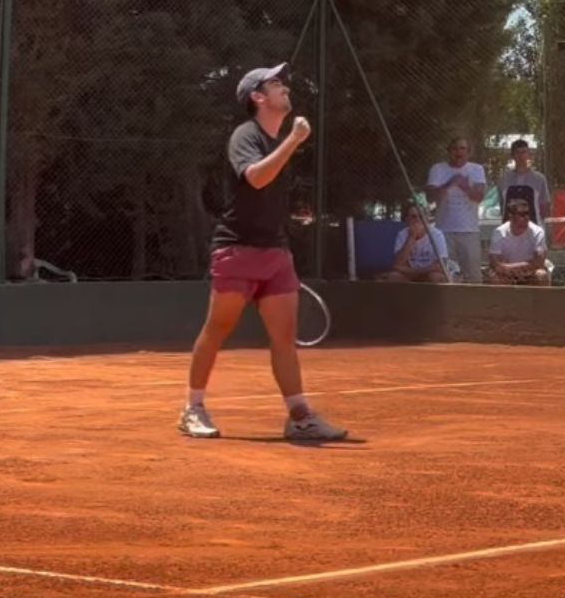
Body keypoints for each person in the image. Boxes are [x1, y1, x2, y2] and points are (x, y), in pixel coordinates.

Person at [178, 63, 347, 441]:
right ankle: (192, 408)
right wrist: (294, 141)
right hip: (236, 250)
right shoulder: (245, 135)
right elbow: (256, 177)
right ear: (258, 97)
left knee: (285, 337)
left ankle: (300, 417)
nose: (285, 86)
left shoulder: (276, 141)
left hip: (276, 254)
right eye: (275, 82)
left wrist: (288, 144)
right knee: (217, 329)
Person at [425, 138, 486, 283]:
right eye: (454, 149)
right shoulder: (438, 169)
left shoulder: (476, 169)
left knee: (473, 275)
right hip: (443, 231)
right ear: (449, 151)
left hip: (469, 230)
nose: (458, 152)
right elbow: (430, 197)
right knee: (446, 274)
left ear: (468, 152)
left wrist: (464, 186)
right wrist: (449, 183)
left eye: (462, 149)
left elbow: (479, 196)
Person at [380, 206, 450, 283]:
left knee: (436, 277)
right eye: (413, 217)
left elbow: (440, 266)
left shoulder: (437, 235)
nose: (417, 220)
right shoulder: (402, 234)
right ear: (407, 220)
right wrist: (411, 237)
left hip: (427, 274)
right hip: (409, 275)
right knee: (394, 276)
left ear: (426, 219)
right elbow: (398, 264)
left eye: (421, 216)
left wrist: (415, 272)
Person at [488, 199, 550, 285]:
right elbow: (494, 262)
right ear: (511, 216)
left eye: (528, 213)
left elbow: (539, 261)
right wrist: (508, 270)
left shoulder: (538, 232)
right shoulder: (499, 232)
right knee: (495, 278)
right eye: (522, 214)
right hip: (507, 274)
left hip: (530, 273)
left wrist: (510, 267)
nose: (526, 217)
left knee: (541, 275)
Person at [497, 139, 551, 226]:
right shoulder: (503, 179)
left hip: (533, 227)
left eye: (524, 152)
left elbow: (544, 207)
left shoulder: (539, 179)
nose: (521, 156)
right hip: (509, 229)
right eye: (517, 152)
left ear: (529, 155)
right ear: (513, 156)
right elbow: (502, 205)